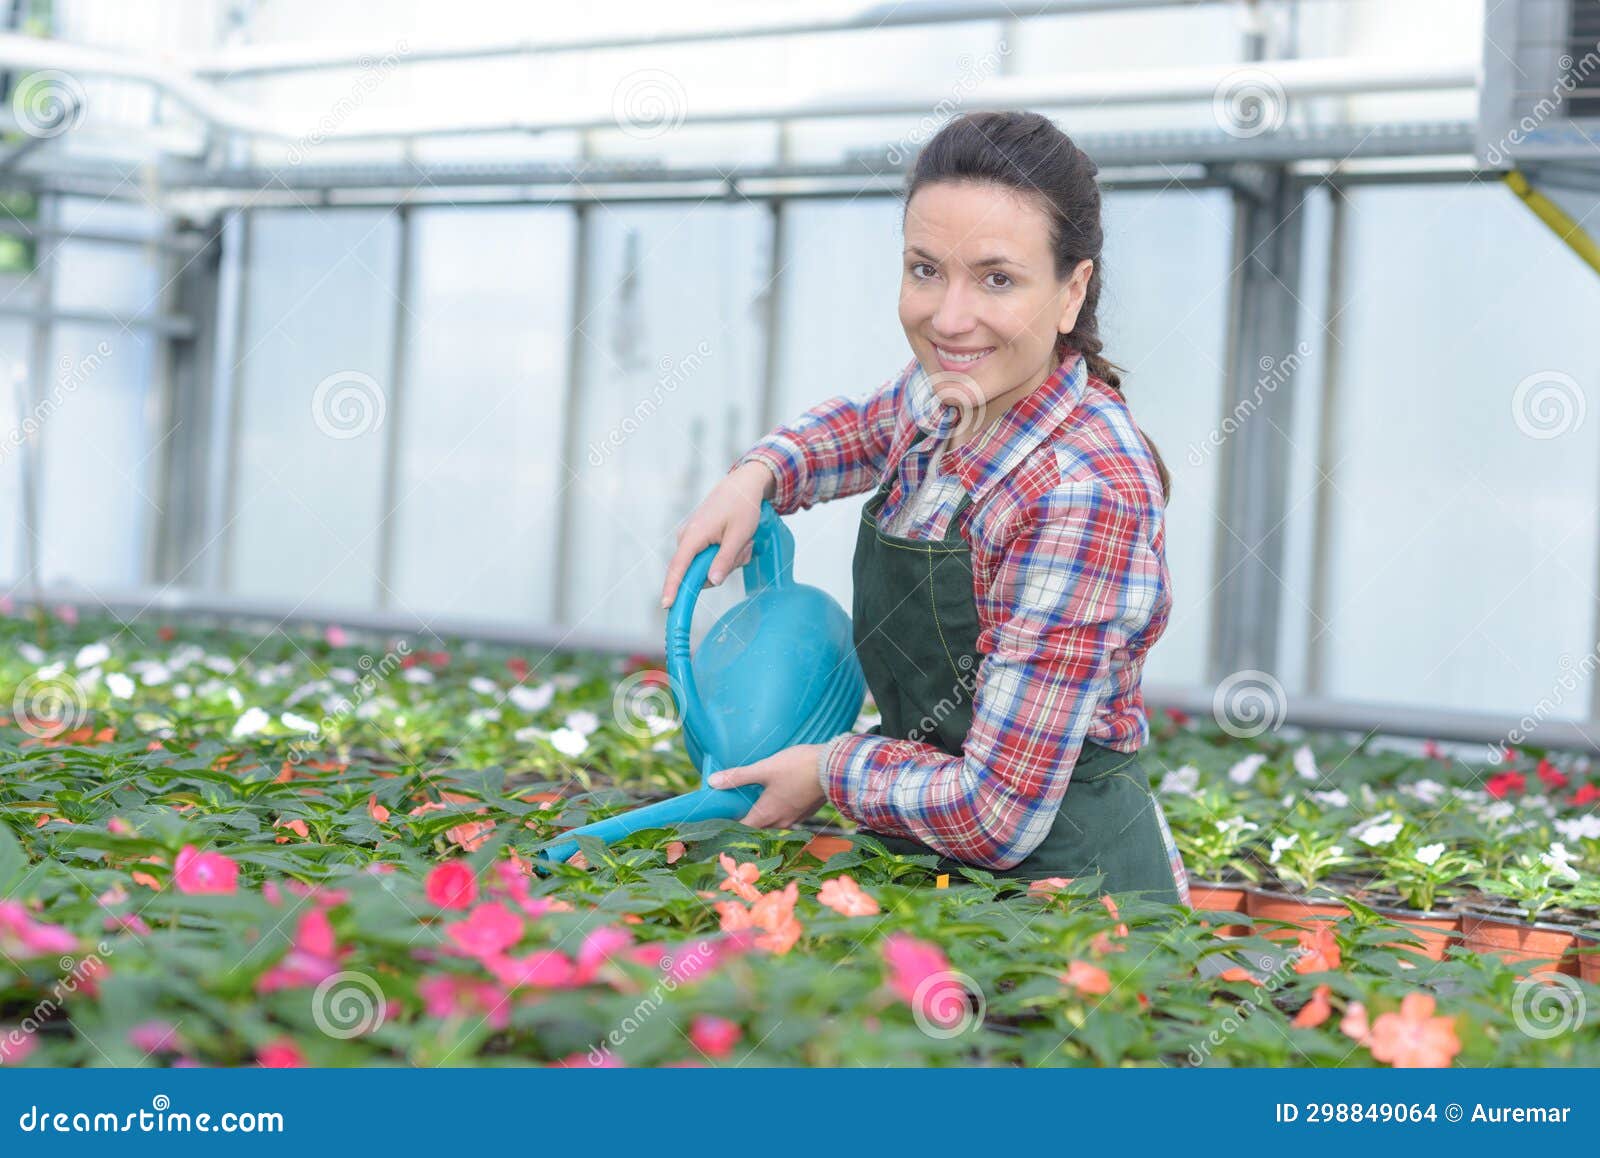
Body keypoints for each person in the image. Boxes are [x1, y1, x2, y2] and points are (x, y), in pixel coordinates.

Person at [659, 110, 1189, 906]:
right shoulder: (953, 395)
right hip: (931, 871)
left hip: (1068, 915)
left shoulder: (1080, 493)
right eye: (925, 270)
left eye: (997, 278)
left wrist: (829, 769)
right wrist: (759, 474)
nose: (947, 318)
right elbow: (866, 423)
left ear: (1071, 290)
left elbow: (997, 810)